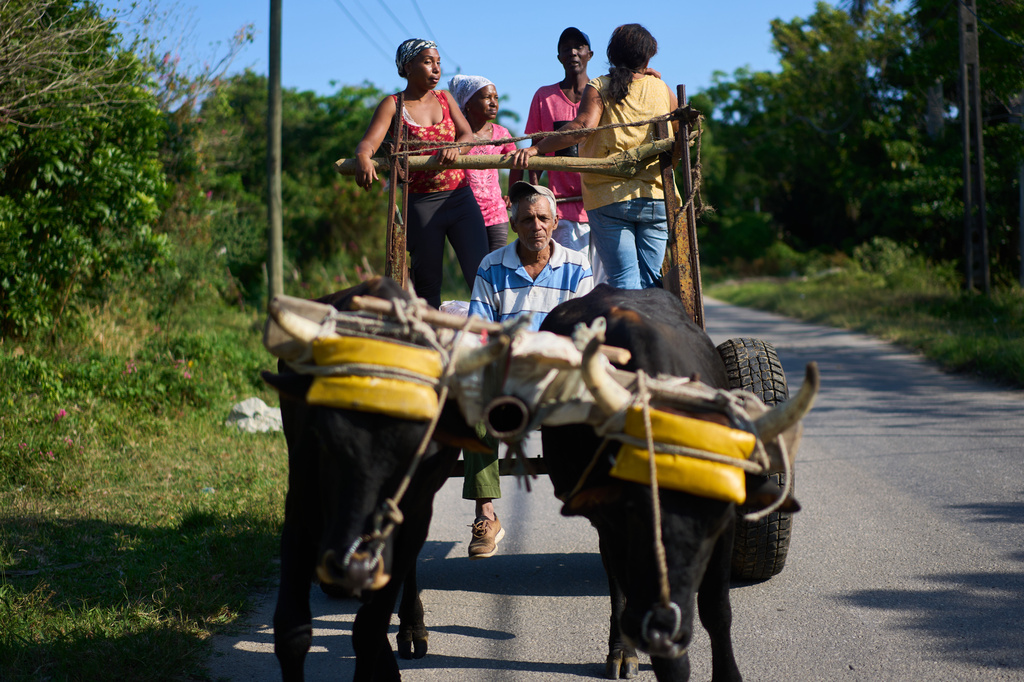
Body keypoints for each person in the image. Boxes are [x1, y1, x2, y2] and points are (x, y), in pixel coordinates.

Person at [463, 181, 595, 559]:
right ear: (514, 223)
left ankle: (607, 502)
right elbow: (478, 332)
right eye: (526, 219)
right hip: (507, 378)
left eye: (542, 218)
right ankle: (485, 515)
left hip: (557, 376)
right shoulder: (492, 266)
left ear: (555, 222)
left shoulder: (577, 265)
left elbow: (581, 333)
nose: (535, 225)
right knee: (476, 405)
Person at [511, 24, 678, 291]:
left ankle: (625, 332)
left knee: (623, 281)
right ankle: (646, 329)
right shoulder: (663, 89)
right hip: (656, 199)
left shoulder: (600, 87)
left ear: (609, 54)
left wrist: (538, 149)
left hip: (609, 199)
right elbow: (678, 140)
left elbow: (581, 127)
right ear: (647, 58)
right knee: (649, 282)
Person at [353, 39, 488, 308]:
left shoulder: (445, 99)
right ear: (408, 66)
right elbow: (369, 143)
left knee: (482, 276)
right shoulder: (393, 104)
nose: (436, 69)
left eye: (438, 63)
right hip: (421, 204)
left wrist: (456, 148)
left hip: (460, 199)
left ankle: (493, 336)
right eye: (428, 62)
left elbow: (467, 135)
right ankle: (429, 343)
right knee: (427, 284)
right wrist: (363, 157)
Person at [512, 27, 606, 283]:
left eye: (579, 47)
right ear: (559, 57)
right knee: (570, 280)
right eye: (566, 48)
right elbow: (536, 148)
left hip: (600, 202)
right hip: (564, 208)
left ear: (590, 54)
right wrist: (533, 190)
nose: (573, 52)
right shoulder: (545, 97)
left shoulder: (603, 93)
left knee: (602, 283)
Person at [448, 75, 517, 253]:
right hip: (466, 212)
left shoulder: (501, 133)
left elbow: (516, 161)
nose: (494, 103)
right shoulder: (455, 135)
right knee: (476, 267)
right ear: (468, 103)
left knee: (498, 263)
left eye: (496, 98)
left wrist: (512, 191)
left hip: (496, 212)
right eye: (487, 97)